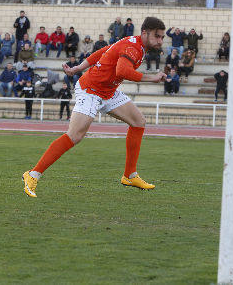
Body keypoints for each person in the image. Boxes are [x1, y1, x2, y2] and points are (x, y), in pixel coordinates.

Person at [22, 17, 168, 198]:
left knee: (138, 121)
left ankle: (130, 175)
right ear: (145, 33)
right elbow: (122, 71)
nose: (160, 41)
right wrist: (152, 77)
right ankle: (33, 174)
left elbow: (104, 51)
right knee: (75, 136)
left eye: (162, 37)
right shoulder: (133, 47)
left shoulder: (133, 43)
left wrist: (78, 68)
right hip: (90, 90)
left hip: (108, 91)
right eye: (157, 36)